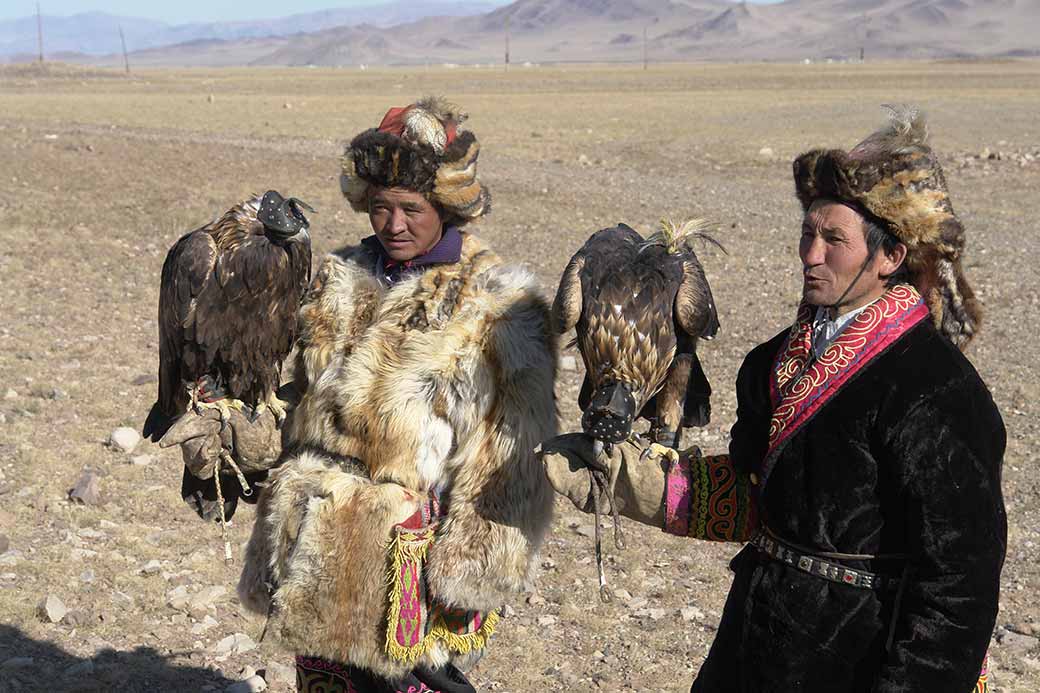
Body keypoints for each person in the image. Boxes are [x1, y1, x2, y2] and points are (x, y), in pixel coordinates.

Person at [541, 106, 1005, 692]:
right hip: (755, 644)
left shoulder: (937, 390)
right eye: (808, 233)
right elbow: (757, 499)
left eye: (834, 239)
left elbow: (960, 583)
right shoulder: (772, 362)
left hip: (863, 657)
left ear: (892, 257)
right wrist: (638, 484)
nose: (811, 254)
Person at [162, 97, 557, 692]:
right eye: (379, 208)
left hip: (407, 571)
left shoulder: (499, 307)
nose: (393, 225)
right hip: (311, 549)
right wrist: (241, 437)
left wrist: (468, 580)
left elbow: (510, 461)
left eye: (411, 208)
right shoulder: (332, 280)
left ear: (447, 208)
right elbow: (294, 403)